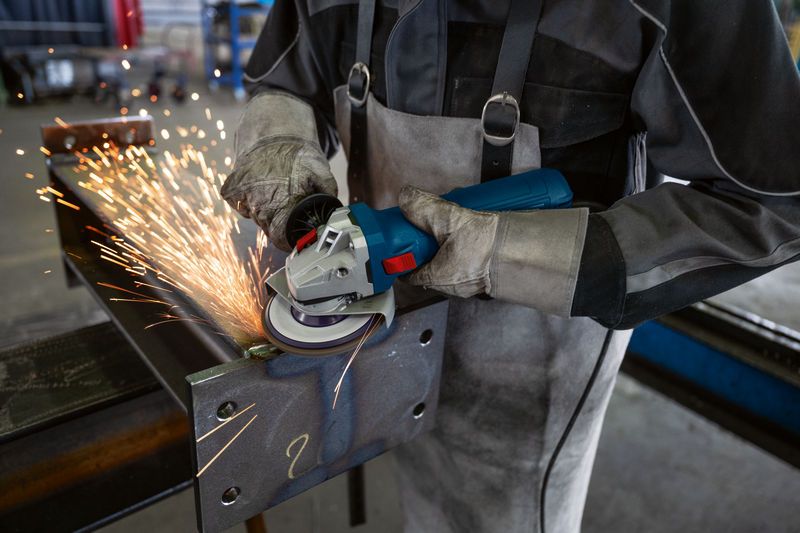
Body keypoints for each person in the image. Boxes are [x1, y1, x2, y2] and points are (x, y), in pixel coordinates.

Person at [221, 1, 800, 531]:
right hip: (386, 331)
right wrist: (278, 141)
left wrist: (511, 254)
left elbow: (770, 204)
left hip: (534, 356)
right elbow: (282, 81)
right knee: (425, 504)